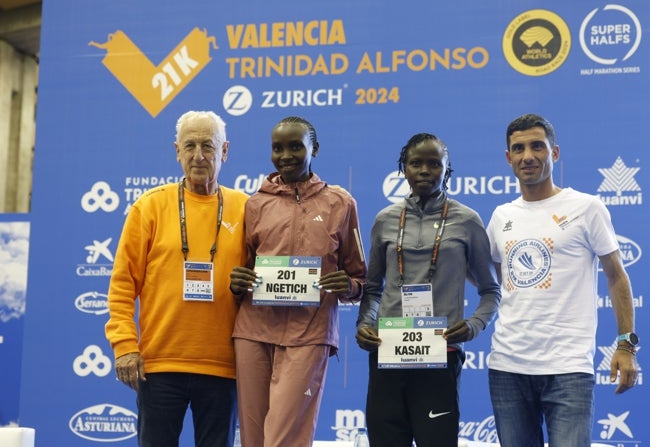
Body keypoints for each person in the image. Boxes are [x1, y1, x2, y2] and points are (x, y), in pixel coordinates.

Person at [486, 113, 639, 447]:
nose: (528, 155)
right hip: (507, 368)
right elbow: (495, 280)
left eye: (537, 146)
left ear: (554, 153)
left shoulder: (587, 207)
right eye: (519, 148)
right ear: (508, 157)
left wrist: (626, 344)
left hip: (568, 368)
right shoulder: (501, 217)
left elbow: (617, 277)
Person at [105, 110, 249, 447]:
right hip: (158, 364)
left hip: (223, 366)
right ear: (177, 151)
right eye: (190, 145)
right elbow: (123, 284)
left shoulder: (247, 209)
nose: (199, 155)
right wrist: (125, 345)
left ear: (225, 151)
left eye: (208, 146)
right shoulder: (149, 207)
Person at [355, 133, 501, 447]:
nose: (424, 170)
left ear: (447, 170)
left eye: (434, 164)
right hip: (389, 353)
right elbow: (372, 288)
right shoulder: (385, 220)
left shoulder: (467, 220)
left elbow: (491, 290)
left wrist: (474, 325)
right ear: (403, 169)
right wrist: (365, 323)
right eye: (416, 163)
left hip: (440, 355)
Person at [229, 116, 367, 447]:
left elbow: (360, 278)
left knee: (284, 438)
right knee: (253, 438)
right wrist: (237, 282)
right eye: (278, 148)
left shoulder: (340, 203)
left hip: (309, 334)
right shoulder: (254, 204)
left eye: (296, 146)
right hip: (253, 333)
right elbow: (240, 272)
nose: (286, 155)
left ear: (314, 149)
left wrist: (348, 287)